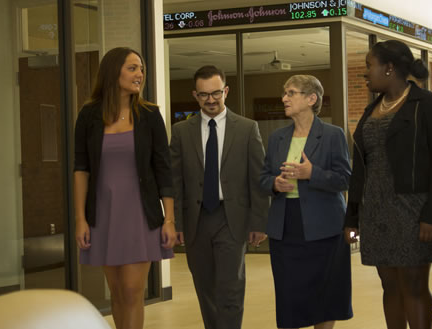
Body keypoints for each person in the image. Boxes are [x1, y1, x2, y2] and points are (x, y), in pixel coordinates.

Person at [344, 40, 432, 329]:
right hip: (376, 212)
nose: (365, 73)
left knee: (414, 285)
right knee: (389, 285)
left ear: (389, 68)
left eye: (370, 66)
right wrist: (352, 216)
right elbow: (360, 167)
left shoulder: (428, 104)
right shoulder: (370, 111)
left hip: (414, 211)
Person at [73, 47, 176, 329]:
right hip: (103, 214)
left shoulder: (150, 115)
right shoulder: (89, 115)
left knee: (132, 291)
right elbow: (81, 170)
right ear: (112, 71)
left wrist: (169, 219)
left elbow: (163, 168)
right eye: (132, 68)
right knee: (117, 292)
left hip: (140, 214)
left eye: (140, 68)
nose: (139, 74)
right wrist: (80, 219)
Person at [170, 65, 268, 329]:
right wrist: (176, 223)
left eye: (216, 93)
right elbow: (175, 183)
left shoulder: (247, 129)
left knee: (231, 289)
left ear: (226, 90)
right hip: (196, 220)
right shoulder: (181, 132)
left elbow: (258, 179)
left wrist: (259, 222)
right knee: (205, 289)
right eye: (204, 95)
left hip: (231, 218)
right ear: (195, 95)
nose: (211, 100)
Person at [260, 75, 353, 329]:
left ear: (311, 99)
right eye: (284, 93)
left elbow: (345, 179)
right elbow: (263, 177)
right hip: (285, 227)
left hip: (324, 228)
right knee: (290, 295)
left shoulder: (333, 135)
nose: (284, 98)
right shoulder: (277, 137)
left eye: (291, 93)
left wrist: (312, 174)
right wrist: (274, 184)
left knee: (325, 295)